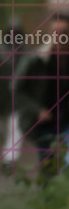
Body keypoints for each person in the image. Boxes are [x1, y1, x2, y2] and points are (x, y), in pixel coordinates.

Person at [11, 14, 69, 181]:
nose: (59, 36)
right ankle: (49, 205)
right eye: (55, 32)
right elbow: (16, 88)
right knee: (48, 169)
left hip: (67, 121)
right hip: (45, 123)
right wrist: (37, 109)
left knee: (67, 163)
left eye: (64, 32)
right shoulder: (36, 59)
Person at [0, 20, 24, 175]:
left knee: (16, 129)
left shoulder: (25, 52)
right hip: (0, 99)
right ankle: (6, 154)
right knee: (1, 130)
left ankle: (9, 161)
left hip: (18, 100)